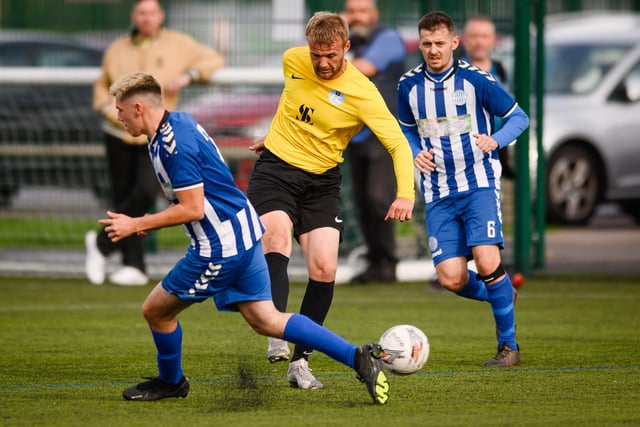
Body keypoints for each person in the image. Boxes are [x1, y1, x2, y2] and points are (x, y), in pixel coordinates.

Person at [101, 71, 389, 405]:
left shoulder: (172, 144)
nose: (117, 117)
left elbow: (193, 208)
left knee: (157, 311)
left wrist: (138, 223)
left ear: (138, 107)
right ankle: (358, 357)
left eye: (120, 110)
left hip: (218, 248)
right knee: (266, 319)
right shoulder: (176, 123)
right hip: (243, 234)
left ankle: (171, 382)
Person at [246, 12, 415, 389]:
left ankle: (300, 362)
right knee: (275, 237)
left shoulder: (362, 91)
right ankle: (276, 324)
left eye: (331, 55)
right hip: (275, 171)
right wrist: (274, 135)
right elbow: (292, 100)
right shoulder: (292, 59)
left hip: (322, 183)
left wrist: (405, 193)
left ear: (347, 48)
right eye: (316, 54)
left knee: (324, 269)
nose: (322, 63)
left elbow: (397, 144)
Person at [397, 11, 529, 366]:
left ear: (455, 43)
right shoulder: (407, 86)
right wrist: (414, 152)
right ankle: (501, 294)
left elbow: (520, 117)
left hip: (479, 184)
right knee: (451, 279)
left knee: (488, 260)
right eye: (427, 44)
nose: (433, 50)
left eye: (440, 43)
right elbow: (406, 129)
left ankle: (508, 347)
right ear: (420, 44)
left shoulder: (477, 80)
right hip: (438, 192)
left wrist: (495, 140)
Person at [86, 0, 224, 286]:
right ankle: (133, 265)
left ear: (160, 16)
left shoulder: (180, 44)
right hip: (118, 135)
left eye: (151, 12)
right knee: (122, 196)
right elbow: (102, 85)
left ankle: (101, 243)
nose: (146, 18)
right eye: (140, 12)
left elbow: (214, 59)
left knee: (146, 191)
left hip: (155, 135)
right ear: (133, 16)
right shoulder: (117, 48)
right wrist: (108, 111)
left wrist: (190, 76)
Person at [342, 0, 407, 283]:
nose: (357, 17)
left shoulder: (388, 38)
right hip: (356, 134)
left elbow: (363, 68)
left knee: (379, 199)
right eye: (351, 11)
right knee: (363, 202)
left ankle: (387, 262)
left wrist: (334, 54)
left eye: (362, 11)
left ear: (374, 15)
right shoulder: (349, 42)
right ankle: (374, 262)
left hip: (383, 133)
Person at [459, 15, 515, 179]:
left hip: (497, 149)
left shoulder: (501, 70)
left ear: (493, 40)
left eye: (484, 36)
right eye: (474, 36)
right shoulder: (455, 70)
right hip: (466, 151)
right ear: (464, 39)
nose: (479, 42)